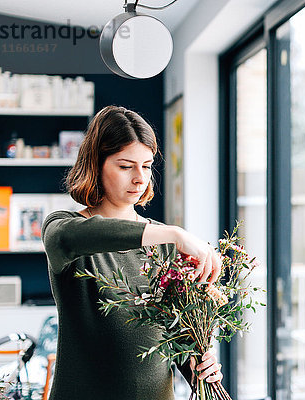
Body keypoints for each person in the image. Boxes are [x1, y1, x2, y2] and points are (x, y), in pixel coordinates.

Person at [41, 105, 223, 400]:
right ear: (96, 165)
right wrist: (175, 233)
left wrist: (196, 366)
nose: (140, 178)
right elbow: (73, 236)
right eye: (126, 166)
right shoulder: (63, 228)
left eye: (147, 166)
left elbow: (172, 337)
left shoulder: (164, 243)